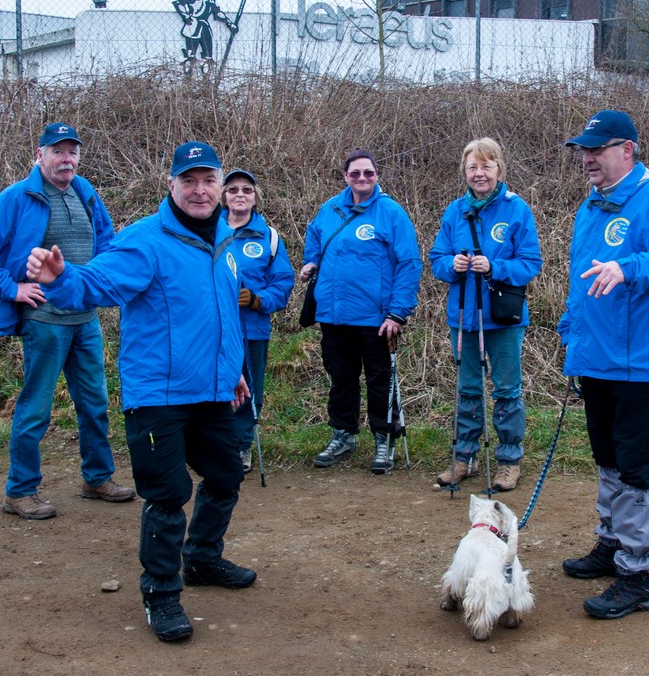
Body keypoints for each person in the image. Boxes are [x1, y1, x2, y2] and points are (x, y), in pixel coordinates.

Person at [25, 141, 255, 643]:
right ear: (170, 185)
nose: (200, 190)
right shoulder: (145, 241)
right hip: (158, 396)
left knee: (225, 476)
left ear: (220, 187)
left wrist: (232, 368)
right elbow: (97, 285)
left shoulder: (225, 239)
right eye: (188, 181)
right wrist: (61, 280)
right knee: (169, 495)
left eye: (208, 180)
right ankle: (161, 594)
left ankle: (202, 559)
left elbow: (221, 313)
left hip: (213, 390)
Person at [559, 110, 649, 619]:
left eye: (596, 149)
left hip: (643, 363)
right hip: (598, 358)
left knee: (637, 471)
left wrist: (631, 266)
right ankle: (612, 545)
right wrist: (572, 341)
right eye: (583, 149)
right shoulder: (591, 208)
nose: (587, 158)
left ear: (626, 149)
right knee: (608, 459)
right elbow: (584, 287)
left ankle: (638, 575)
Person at [0, 122, 135, 521]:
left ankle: (97, 476)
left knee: (94, 404)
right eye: (57, 151)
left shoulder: (85, 192)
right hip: (44, 319)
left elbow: (106, 243)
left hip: (84, 319)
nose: (66, 158)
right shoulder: (19, 196)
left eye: (72, 151)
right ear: (40, 155)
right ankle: (19, 491)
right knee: (36, 407)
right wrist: (12, 288)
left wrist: (104, 284)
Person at [299, 149, 422, 474]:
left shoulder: (391, 214)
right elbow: (314, 236)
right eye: (355, 173)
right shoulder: (331, 209)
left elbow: (409, 264)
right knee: (341, 380)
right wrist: (311, 260)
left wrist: (397, 313)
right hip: (333, 316)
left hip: (376, 320)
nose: (362, 178)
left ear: (377, 175)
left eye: (368, 173)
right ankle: (343, 435)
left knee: (380, 381)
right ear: (345, 176)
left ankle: (384, 439)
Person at [430, 137, 542, 492]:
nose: (480, 173)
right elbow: (436, 260)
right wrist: (454, 264)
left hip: (503, 319)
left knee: (507, 390)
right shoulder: (454, 211)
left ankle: (509, 460)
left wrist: (495, 266)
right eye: (473, 167)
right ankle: (464, 456)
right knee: (468, 389)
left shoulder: (517, 210)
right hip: (463, 317)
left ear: (499, 170)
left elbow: (530, 264)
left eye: (486, 166)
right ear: (465, 172)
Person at [221, 168, 294, 472]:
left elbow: (282, 283)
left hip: (252, 328)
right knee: (211, 384)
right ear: (223, 196)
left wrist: (258, 299)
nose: (240, 195)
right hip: (210, 328)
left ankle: (241, 447)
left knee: (249, 388)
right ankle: (211, 444)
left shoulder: (270, 238)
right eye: (233, 189)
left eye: (247, 190)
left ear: (255, 198)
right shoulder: (205, 231)